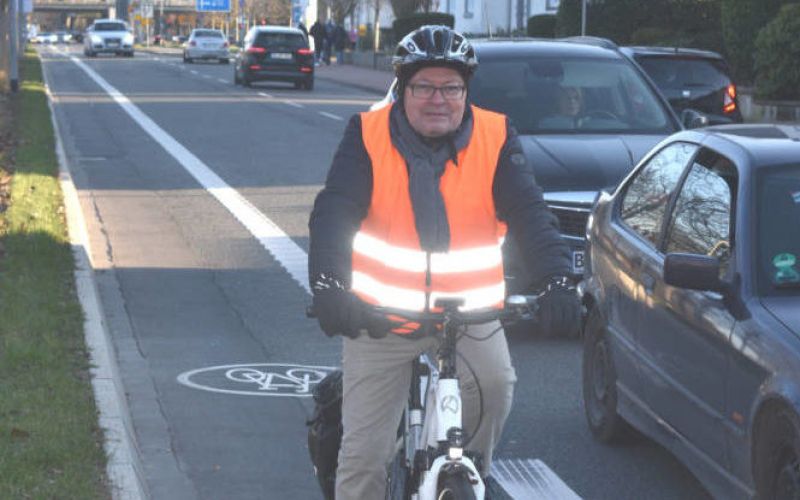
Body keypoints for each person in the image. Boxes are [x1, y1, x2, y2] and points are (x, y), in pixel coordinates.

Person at [308, 25, 580, 500]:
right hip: (380, 318)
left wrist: (558, 279)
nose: (439, 99)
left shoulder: (496, 136)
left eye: (451, 87)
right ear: (402, 90)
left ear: (466, 91)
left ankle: (466, 473)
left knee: (496, 386)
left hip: (470, 315)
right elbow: (335, 212)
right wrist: (330, 283)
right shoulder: (367, 135)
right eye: (424, 87)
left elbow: (530, 213)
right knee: (363, 459)